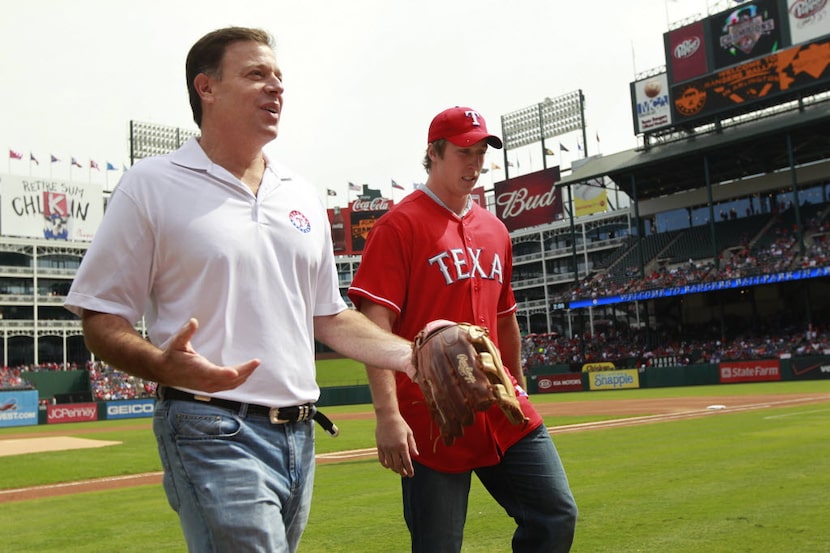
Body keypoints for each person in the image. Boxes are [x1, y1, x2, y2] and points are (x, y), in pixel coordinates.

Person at [64, 26, 415, 553]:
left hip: (300, 433)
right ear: (206, 88)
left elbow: (329, 316)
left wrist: (413, 355)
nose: (276, 87)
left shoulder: (300, 193)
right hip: (209, 423)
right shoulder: (152, 183)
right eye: (256, 75)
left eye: (278, 77)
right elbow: (101, 316)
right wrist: (160, 365)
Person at [348, 106, 578, 552]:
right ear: (433, 153)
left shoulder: (496, 230)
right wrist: (387, 415)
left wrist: (519, 385)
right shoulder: (398, 226)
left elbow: (506, 317)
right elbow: (374, 321)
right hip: (431, 412)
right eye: (463, 152)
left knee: (555, 514)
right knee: (438, 546)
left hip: (501, 406)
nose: (474, 164)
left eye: (481, 152)